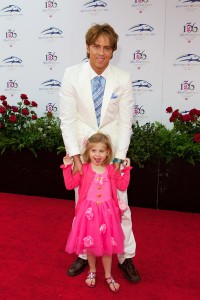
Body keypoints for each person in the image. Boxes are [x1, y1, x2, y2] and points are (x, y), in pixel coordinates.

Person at [59, 23, 141, 283]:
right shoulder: (71, 75)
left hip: (112, 153)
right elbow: (67, 119)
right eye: (96, 46)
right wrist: (74, 155)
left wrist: (119, 157)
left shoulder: (123, 78)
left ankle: (125, 257)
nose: (101, 53)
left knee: (122, 207)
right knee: (82, 206)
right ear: (87, 47)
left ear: (113, 51)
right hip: (84, 153)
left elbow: (126, 122)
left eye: (107, 48)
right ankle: (83, 254)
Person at [61, 133, 132, 292]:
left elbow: (122, 186)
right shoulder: (84, 169)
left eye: (101, 151)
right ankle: (92, 271)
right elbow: (70, 185)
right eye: (94, 151)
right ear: (88, 151)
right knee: (90, 244)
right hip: (88, 214)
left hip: (107, 214)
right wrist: (67, 167)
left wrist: (125, 170)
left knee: (107, 247)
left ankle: (108, 275)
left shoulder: (110, 170)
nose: (97, 155)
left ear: (108, 152)